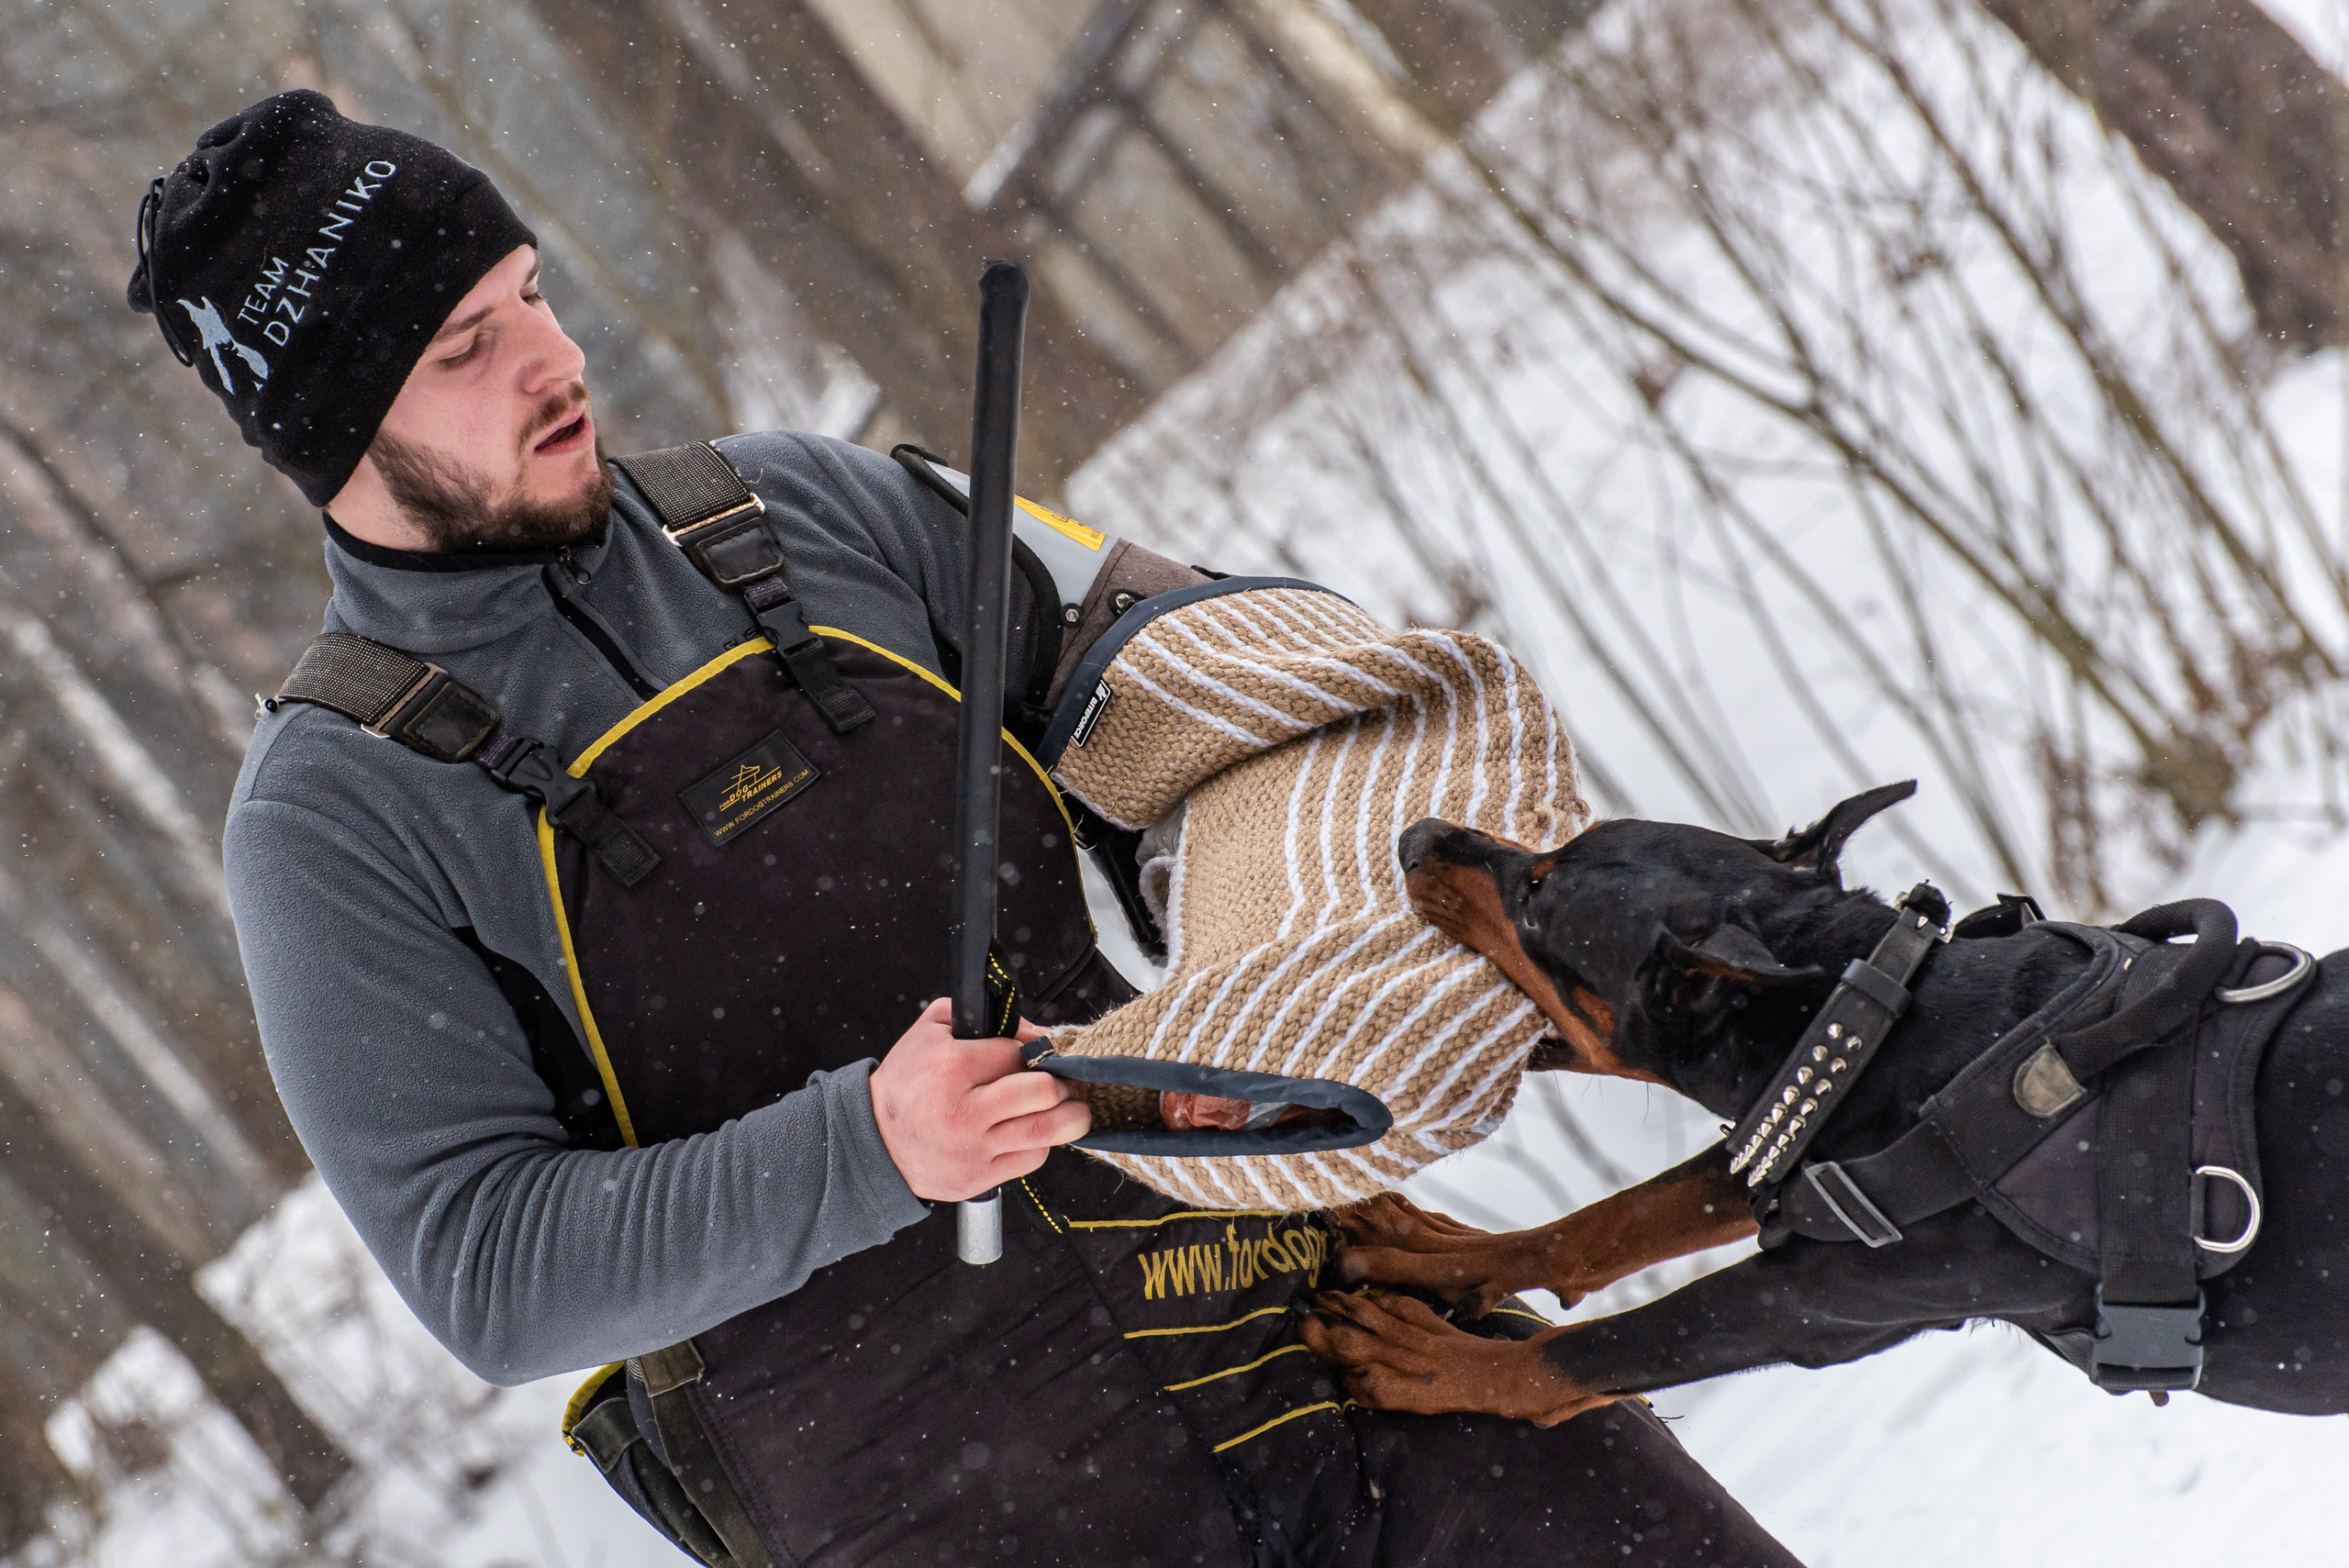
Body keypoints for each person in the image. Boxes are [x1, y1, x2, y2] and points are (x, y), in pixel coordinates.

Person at [132, 90, 1802, 1567]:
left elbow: (1226, 684)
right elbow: (487, 1269)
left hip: (1340, 1347)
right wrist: (867, 1146)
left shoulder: (809, 507)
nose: (551, 359)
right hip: (955, 1510)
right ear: (337, 433)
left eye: (531, 295)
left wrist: (1257, 965)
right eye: (462, 350)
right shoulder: (335, 822)